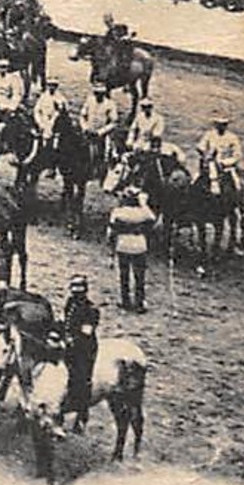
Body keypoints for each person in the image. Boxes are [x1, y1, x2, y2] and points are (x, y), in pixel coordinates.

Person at [107, 185, 156, 313]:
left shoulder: (118, 212)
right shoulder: (142, 213)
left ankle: (125, 301)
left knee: (124, 275)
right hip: (139, 245)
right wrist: (143, 203)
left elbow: (111, 231)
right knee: (139, 276)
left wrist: (111, 249)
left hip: (123, 245)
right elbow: (152, 218)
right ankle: (139, 302)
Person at [60, 274, 99, 433]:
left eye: (79, 291)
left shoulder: (91, 310)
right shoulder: (70, 303)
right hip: (69, 344)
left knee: (82, 379)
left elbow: (86, 333)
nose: (76, 294)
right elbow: (67, 323)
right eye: (74, 290)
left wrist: (70, 340)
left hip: (84, 348)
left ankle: (82, 416)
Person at [196, 115, 242, 198]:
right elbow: (200, 146)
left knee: (237, 184)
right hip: (210, 164)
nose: (222, 126)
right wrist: (206, 153)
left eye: (224, 124)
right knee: (195, 181)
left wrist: (225, 162)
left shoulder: (232, 137)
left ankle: (239, 206)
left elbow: (237, 155)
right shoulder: (209, 135)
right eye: (219, 124)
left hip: (226, 167)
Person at [79, 84, 121, 172]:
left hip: (102, 134)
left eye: (100, 94)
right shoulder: (89, 101)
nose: (98, 95)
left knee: (105, 151)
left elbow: (114, 122)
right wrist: (85, 127)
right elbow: (82, 116)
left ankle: (102, 168)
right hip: (88, 131)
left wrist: (100, 132)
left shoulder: (110, 104)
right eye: (96, 93)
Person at [32, 80, 67, 145]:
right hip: (43, 120)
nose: (51, 87)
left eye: (53, 85)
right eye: (49, 85)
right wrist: (39, 121)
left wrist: (51, 121)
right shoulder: (43, 97)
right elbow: (37, 110)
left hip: (54, 122)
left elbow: (59, 112)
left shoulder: (60, 98)